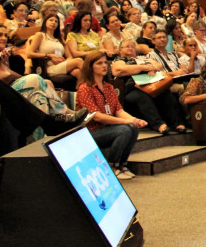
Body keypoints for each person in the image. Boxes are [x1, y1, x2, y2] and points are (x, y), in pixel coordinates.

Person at [75, 50, 146, 180]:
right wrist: (125, 122)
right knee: (124, 129)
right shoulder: (85, 88)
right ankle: (111, 166)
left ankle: (122, 165)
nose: (104, 66)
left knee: (133, 127)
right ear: (90, 67)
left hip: (107, 129)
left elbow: (119, 111)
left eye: (105, 63)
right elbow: (96, 116)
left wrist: (135, 120)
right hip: (90, 131)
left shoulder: (109, 87)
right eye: (99, 63)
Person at [111, 39, 187, 135]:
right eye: (127, 46)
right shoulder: (120, 60)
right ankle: (159, 124)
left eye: (133, 46)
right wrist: (144, 68)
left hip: (150, 85)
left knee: (166, 94)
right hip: (131, 89)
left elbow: (158, 66)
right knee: (141, 96)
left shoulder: (142, 58)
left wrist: (143, 68)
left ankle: (177, 123)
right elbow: (119, 70)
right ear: (120, 49)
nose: (130, 48)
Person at [25, 13, 83, 79]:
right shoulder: (40, 35)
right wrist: (49, 55)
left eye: (56, 21)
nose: (53, 23)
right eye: (51, 20)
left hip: (61, 64)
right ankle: (95, 84)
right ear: (45, 22)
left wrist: (64, 61)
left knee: (77, 72)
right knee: (79, 60)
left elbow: (69, 57)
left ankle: (83, 88)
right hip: (49, 67)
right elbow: (29, 54)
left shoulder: (59, 38)